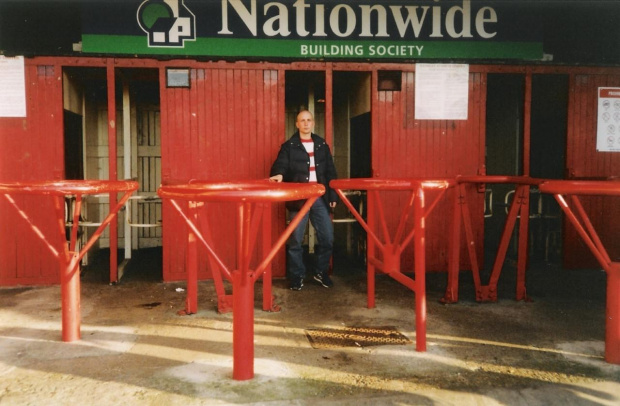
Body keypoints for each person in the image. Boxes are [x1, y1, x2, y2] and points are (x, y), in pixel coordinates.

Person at [269, 110, 338, 291]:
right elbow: (280, 165)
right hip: (299, 198)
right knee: (295, 240)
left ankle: (320, 272)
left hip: (319, 197)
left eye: (309, 120)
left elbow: (331, 172)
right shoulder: (289, 146)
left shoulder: (322, 145)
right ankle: (296, 276)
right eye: (302, 121)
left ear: (313, 123)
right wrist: (278, 174)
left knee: (328, 238)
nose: (306, 123)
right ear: (297, 124)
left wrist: (333, 196)